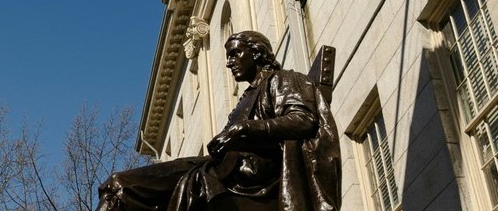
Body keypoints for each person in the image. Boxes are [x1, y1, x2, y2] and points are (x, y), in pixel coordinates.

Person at [96, 31, 340, 211]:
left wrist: (242, 129)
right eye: (228, 56)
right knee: (118, 187)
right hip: (224, 169)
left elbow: (303, 120)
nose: (229, 61)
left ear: (256, 54)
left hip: (252, 176)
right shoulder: (246, 97)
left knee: (125, 187)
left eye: (236, 53)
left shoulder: (282, 80)